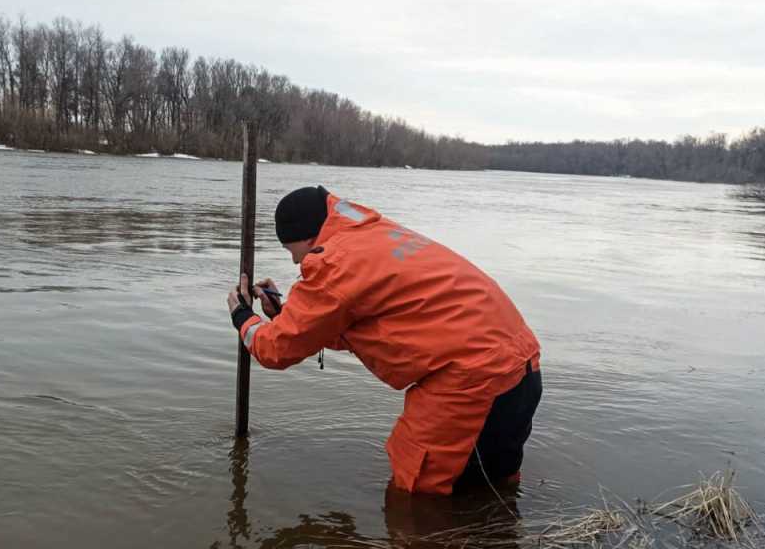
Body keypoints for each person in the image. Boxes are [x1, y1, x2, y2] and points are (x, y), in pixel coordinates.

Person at [226, 185, 542, 495]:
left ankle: (426, 546)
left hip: (471, 382)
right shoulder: (374, 234)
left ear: (307, 238)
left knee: (417, 495)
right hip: (521, 365)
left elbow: (276, 349)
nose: (295, 262)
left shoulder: (333, 263)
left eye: (290, 250)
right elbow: (355, 325)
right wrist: (284, 312)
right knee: (494, 485)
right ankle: (499, 539)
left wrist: (242, 317)